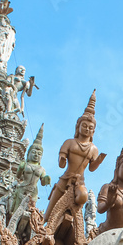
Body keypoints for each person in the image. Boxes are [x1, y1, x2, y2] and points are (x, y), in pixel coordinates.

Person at [44, 92, 105, 222]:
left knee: (83, 197)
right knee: (54, 199)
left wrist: (98, 161)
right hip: (66, 177)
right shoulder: (70, 142)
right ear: (78, 126)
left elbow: (91, 168)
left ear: (93, 131)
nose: (87, 129)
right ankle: (45, 218)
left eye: (90, 128)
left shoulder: (93, 148)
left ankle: (71, 211)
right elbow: (62, 160)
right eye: (84, 126)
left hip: (79, 181)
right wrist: (62, 159)